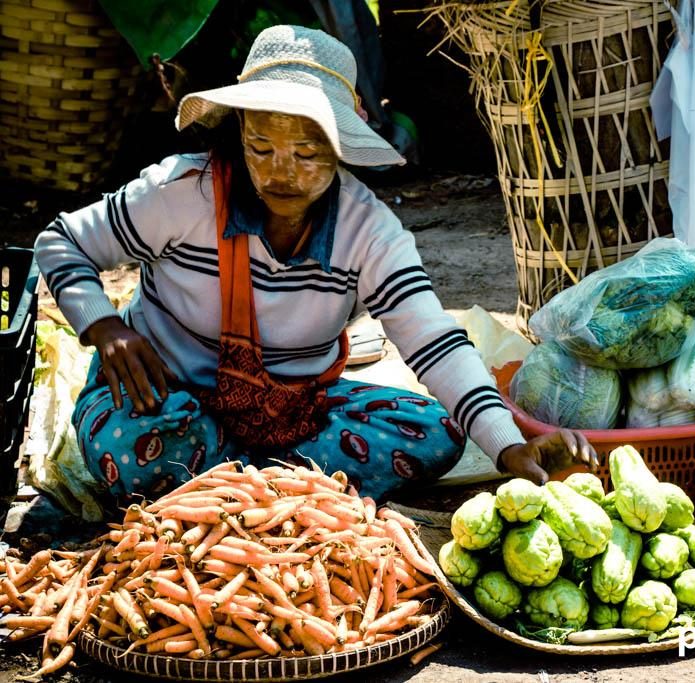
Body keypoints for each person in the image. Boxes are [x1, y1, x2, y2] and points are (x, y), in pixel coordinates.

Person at [34, 25, 598, 506]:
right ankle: (279, 491)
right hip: (168, 401)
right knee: (132, 444)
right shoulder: (182, 192)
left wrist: (507, 444)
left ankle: (233, 494)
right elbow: (59, 242)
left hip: (294, 415)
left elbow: (434, 343)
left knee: (434, 433)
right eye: (261, 147)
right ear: (238, 132)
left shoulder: (368, 231)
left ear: (340, 145)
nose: (282, 172)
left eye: (307, 153)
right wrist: (104, 325)